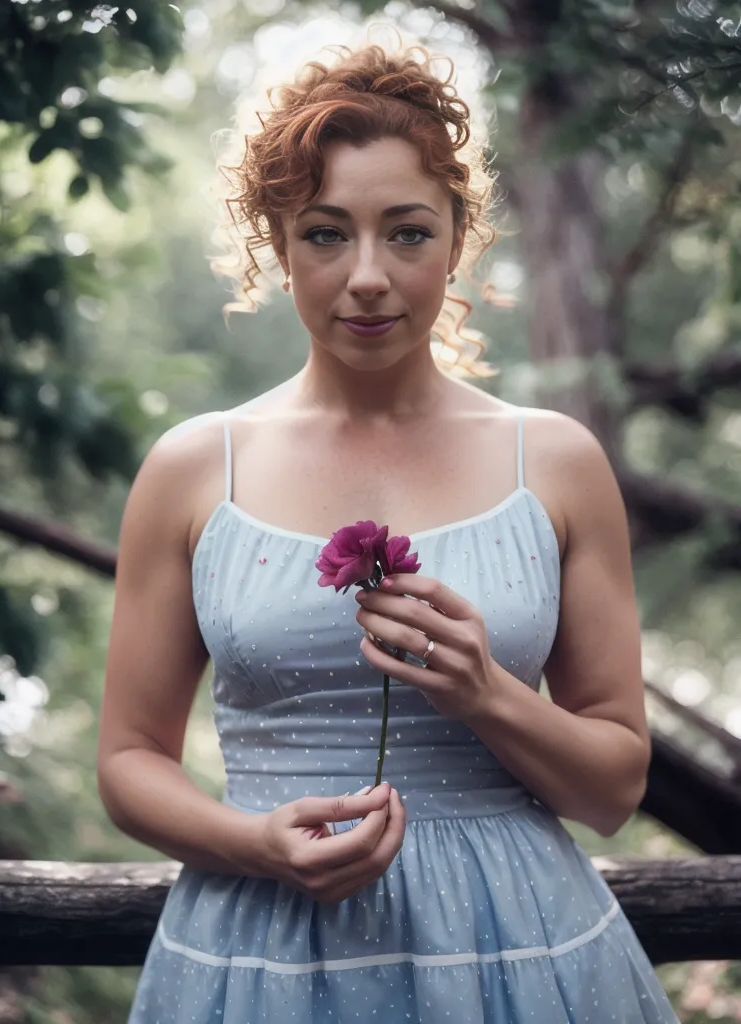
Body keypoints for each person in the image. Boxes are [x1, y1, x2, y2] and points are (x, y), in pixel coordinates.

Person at [98, 40, 680, 1023]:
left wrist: (488, 693)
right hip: (260, 949)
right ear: (277, 245)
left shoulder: (558, 463)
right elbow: (127, 760)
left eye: (406, 233)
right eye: (326, 234)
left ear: (458, 239)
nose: (367, 276)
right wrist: (254, 842)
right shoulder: (195, 468)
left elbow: (614, 785)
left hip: (520, 953)